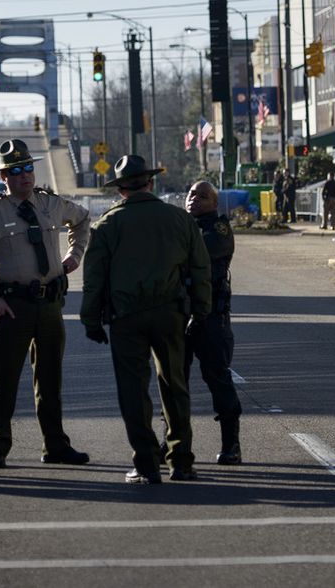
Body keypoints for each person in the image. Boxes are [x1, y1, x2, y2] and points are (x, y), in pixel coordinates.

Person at [0, 139, 91, 470]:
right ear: (4, 176)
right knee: (2, 380)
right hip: (11, 307)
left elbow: (83, 219)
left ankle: (56, 445)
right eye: (15, 171)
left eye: (28, 168)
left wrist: (74, 256)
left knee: (50, 379)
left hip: (49, 304)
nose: (24, 176)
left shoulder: (50, 204)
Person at [81, 155, 210, 485]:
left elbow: (94, 279)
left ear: (121, 189)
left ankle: (146, 463)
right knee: (175, 386)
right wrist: (201, 311)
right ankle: (181, 460)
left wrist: (90, 320)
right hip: (170, 313)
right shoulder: (180, 219)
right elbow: (200, 269)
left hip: (126, 318)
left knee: (133, 391)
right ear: (150, 182)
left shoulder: (107, 225)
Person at [183, 180, 242, 464]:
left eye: (202, 196)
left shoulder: (217, 229)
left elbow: (195, 255)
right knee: (174, 381)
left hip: (210, 318)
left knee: (217, 378)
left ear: (214, 203)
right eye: (191, 194)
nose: (194, 198)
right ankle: (174, 443)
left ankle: (231, 444)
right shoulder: (183, 226)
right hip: (179, 317)